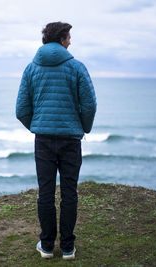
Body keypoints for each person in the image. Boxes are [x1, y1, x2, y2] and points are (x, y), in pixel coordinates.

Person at [16, 21, 97, 260]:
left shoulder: (31, 68)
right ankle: (68, 248)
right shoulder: (77, 67)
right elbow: (90, 104)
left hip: (43, 140)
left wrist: (38, 125)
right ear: (61, 39)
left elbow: (21, 110)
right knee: (69, 192)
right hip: (71, 139)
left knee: (46, 192)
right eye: (69, 37)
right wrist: (84, 127)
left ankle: (47, 246)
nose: (71, 41)